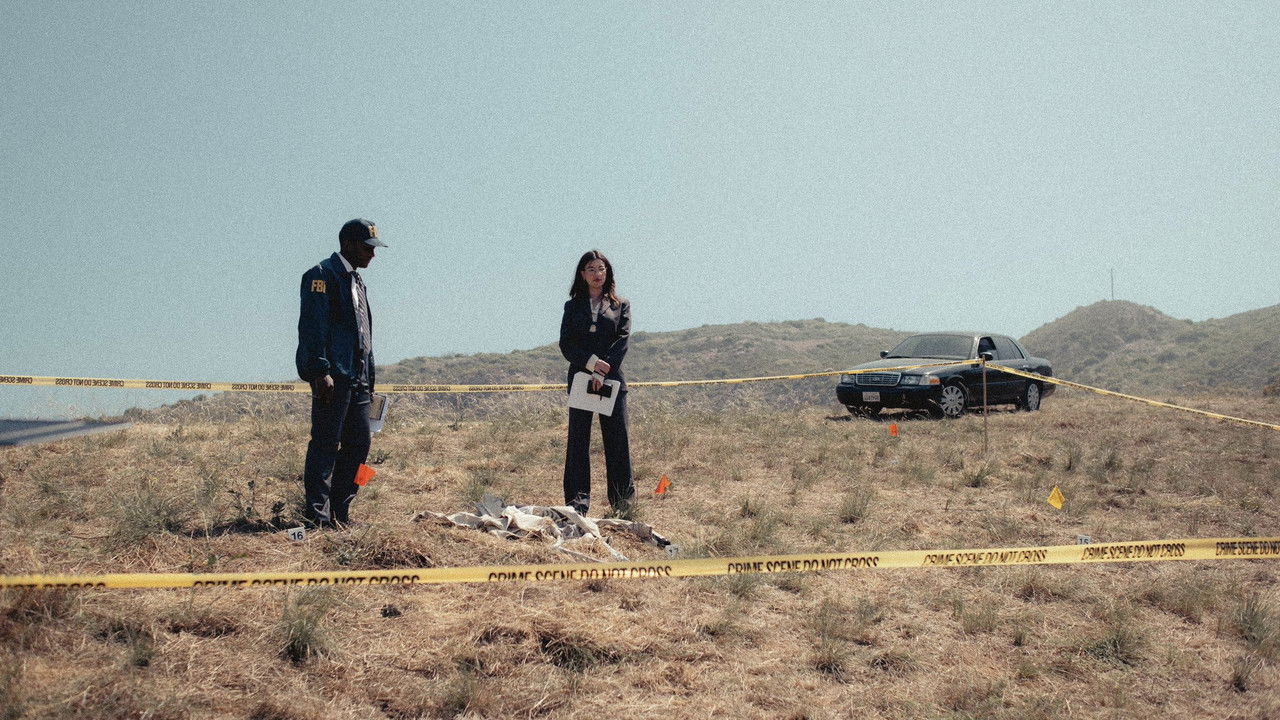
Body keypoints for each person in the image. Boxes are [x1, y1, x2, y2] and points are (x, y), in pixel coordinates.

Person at [296, 218, 387, 528]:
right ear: (348, 244)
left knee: (360, 445)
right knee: (324, 445)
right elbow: (313, 327)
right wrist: (319, 370)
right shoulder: (321, 275)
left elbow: (363, 334)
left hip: (359, 379)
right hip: (334, 378)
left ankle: (340, 512)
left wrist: (370, 379)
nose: (373, 254)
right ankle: (317, 517)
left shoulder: (357, 281)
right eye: (367, 248)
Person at [559, 250, 635, 516]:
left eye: (601, 268)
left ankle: (623, 505)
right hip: (582, 379)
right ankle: (576, 505)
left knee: (617, 441)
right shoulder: (572, 306)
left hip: (612, 381)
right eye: (591, 269)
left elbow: (622, 340)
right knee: (578, 441)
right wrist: (591, 364)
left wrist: (604, 369)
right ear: (582, 274)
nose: (596, 274)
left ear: (607, 272)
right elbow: (566, 343)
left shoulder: (621, 305)